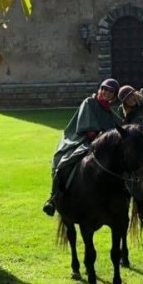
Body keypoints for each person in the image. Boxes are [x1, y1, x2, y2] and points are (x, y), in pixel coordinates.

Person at [42, 77, 121, 216]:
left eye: (111, 92)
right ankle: (54, 198)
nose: (107, 93)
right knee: (64, 163)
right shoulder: (89, 102)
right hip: (81, 139)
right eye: (105, 89)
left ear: (114, 96)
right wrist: (97, 135)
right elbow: (87, 127)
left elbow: (121, 126)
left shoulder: (109, 112)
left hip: (100, 143)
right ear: (100, 89)